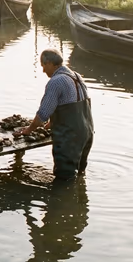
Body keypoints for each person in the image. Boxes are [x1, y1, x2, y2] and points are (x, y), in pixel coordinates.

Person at [16, 49, 94, 180]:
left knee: (64, 178)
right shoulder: (77, 76)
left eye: (43, 66)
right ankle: (81, 197)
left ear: (51, 64)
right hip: (87, 133)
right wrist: (51, 124)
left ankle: (62, 198)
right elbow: (71, 105)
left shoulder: (56, 81)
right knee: (80, 173)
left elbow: (43, 113)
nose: (43, 71)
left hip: (70, 137)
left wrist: (29, 130)